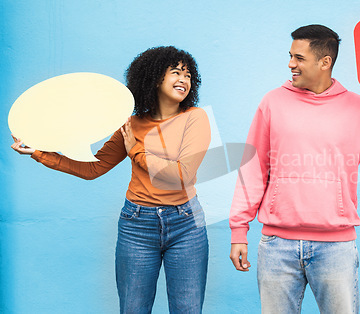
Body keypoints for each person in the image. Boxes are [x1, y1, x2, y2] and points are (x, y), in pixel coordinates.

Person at [229, 24, 360, 313]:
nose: (291, 64)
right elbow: (253, 169)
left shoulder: (357, 109)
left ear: (325, 62)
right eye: (290, 56)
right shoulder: (272, 103)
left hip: (335, 249)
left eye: (299, 58)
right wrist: (239, 230)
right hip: (277, 246)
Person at [11, 46, 211, 314]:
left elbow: (181, 175)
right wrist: (39, 153)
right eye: (176, 73)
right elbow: (93, 168)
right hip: (137, 225)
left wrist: (136, 151)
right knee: (133, 309)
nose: (184, 80)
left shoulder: (195, 118)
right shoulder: (131, 125)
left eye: (188, 75)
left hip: (186, 224)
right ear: (153, 78)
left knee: (188, 310)